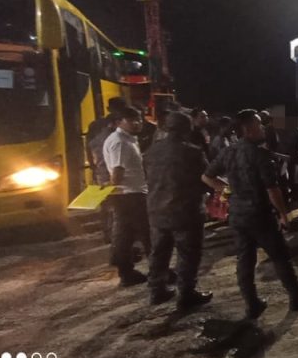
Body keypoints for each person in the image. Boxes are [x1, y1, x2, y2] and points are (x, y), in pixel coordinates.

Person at [202, 109, 298, 318]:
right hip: (260, 214)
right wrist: (284, 215)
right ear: (248, 129)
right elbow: (272, 189)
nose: (263, 128)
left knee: (245, 260)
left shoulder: (229, 152)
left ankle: (252, 304)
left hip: (237, 214)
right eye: (259, 124)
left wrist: (229, 192)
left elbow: (207, 177)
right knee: (280, 257)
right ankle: (297, 297)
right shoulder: (259, 155)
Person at [143, 112, 214, 308]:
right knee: (188, 254)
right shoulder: (192, 152)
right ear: (187, 129)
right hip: (186, 211)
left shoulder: (151, 151)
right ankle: (186, 294)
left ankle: (156, 291)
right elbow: (206, 179)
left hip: (156, 210)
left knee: (159, 252)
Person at [103, 106, 151, 287]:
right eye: (131, 120)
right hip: (130, 195)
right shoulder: (120, 142)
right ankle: (158, 271)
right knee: (148, 234)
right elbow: (117, 172)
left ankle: (127, 273)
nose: (137, 123)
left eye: (139, 119)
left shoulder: (126, 139)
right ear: (118, 122)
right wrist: (110, 185)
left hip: (129, 194)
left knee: (125, 235)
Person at [87, 97, 129, 245]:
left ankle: (108, 233)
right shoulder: (124, 124)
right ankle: (119, 234)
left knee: (106, 205)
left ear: (108, 108)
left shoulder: (95, 125)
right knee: (121, 204)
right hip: (118, 170)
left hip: (102, 171)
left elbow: (88, 147)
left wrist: (93, 167)